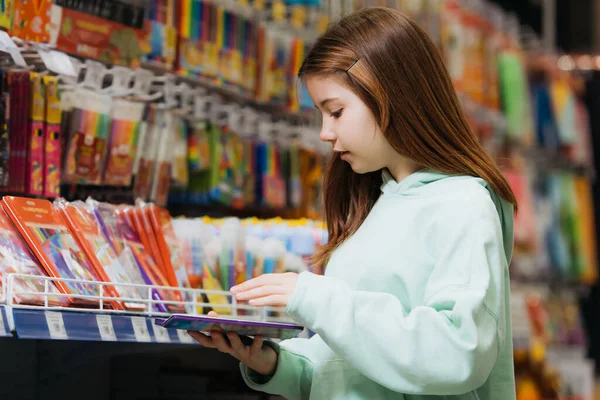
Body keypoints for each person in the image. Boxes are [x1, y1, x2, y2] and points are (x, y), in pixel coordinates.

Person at [188, 7, 517, 400]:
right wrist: (273, 363)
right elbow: (348, 371)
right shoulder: (374, 205)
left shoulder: (462, 204)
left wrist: (315, 298)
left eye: (336, 111)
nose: (325, 133)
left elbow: (457, 353)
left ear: (391, 93)